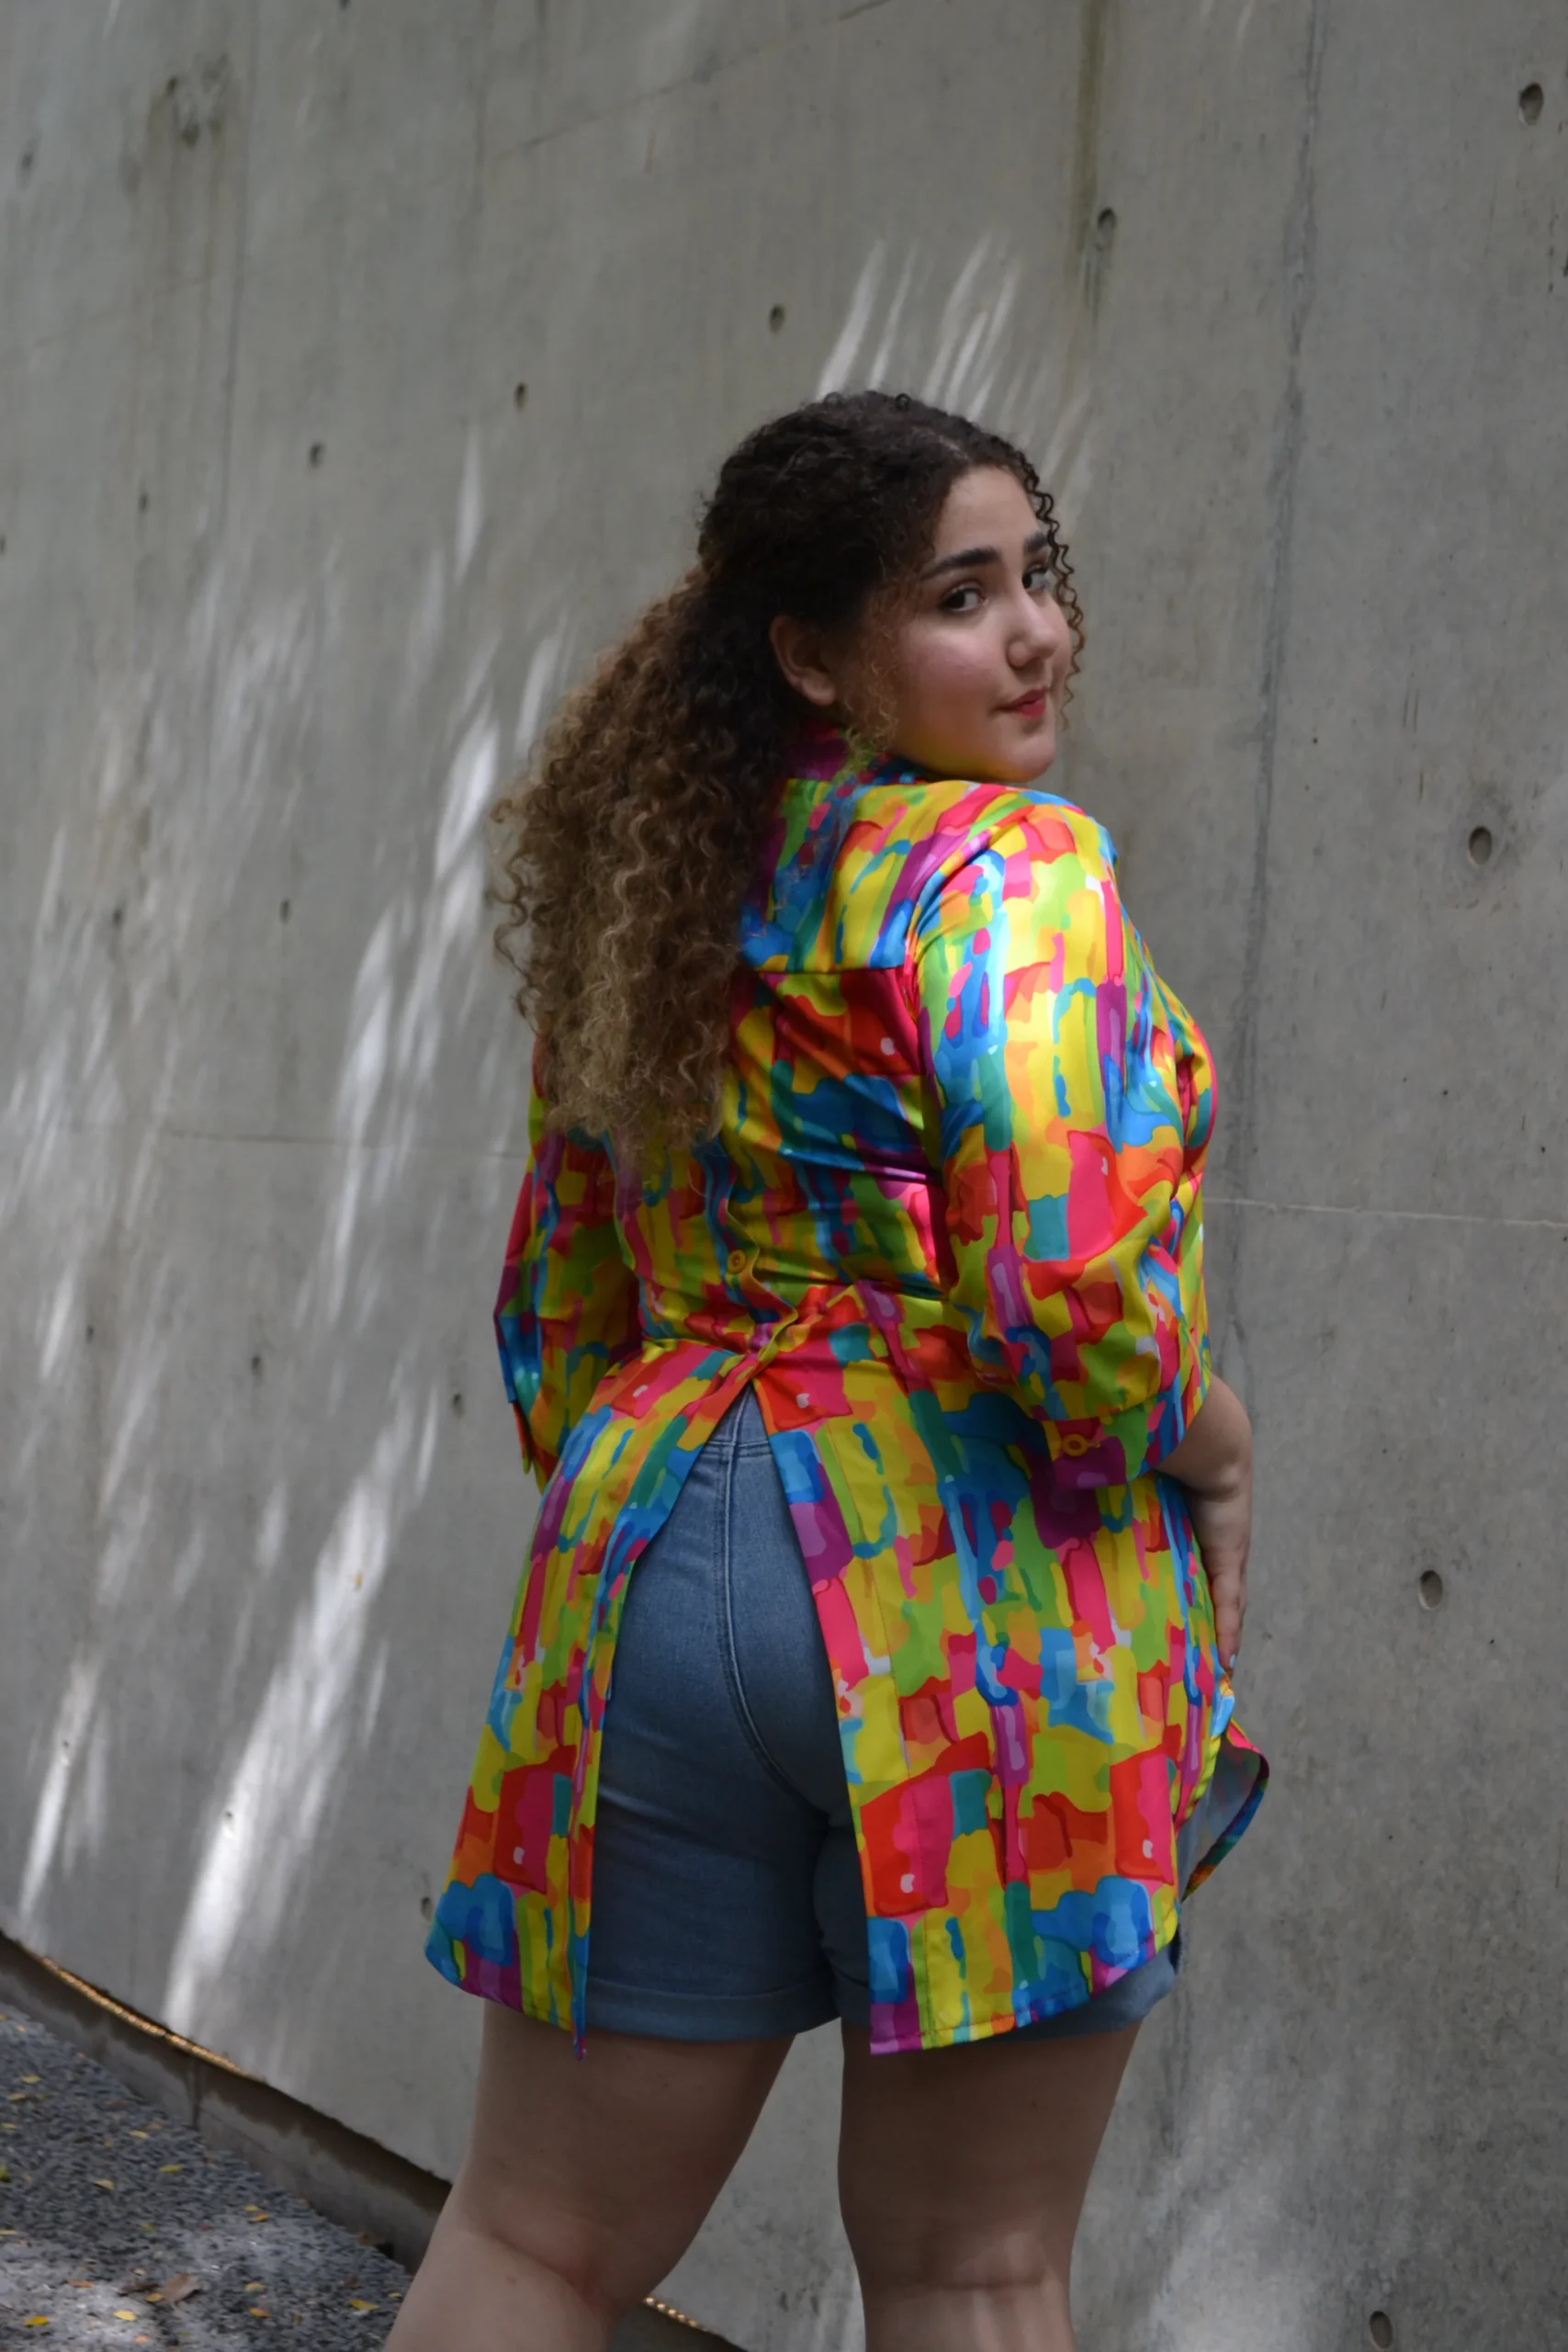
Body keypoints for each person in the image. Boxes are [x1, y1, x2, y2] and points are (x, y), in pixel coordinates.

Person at [390, 390, 1266, 2352]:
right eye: (961, 596)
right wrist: (1213, 1443)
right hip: (967, 1588)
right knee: (972, 2270)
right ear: (809, 652)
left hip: (648, 1562)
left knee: (531, 2240)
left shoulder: (662, 888)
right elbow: (1062, 1298)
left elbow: (559, 1295)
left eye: (1036, 574)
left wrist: (672, 1514)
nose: (1034, 633)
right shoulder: (1007, 868)